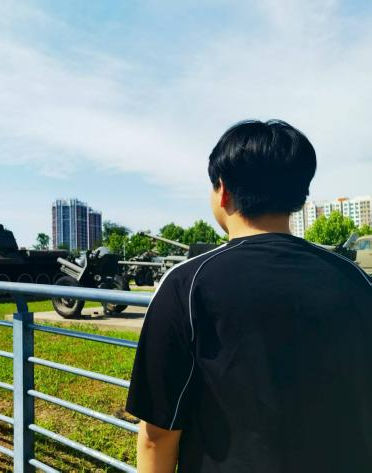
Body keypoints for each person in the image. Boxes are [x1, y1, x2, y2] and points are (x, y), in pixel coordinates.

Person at [126, 119, 372, 473]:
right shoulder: (355, 280)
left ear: (223, 191)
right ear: (299, 196)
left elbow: (157, 436)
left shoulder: (187, 285)